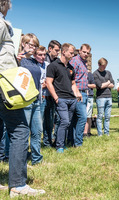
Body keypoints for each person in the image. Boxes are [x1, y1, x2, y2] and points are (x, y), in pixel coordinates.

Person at [0, 0, 45, 197]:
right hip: (3, 84)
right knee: (19, 130)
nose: (10, 7)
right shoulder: (1, 23)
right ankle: (18, 184)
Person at [46, 43, 81, 153]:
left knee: (67, 123)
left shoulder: (71, 68)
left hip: (72, 99)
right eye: (71, 53)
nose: (72, 55)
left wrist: (77, 94)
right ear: (64, 52)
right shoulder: (53, 66)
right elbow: (48, 83)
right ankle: (59, 146)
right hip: (61, 99)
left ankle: (62, 143)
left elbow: (73, 83)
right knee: (64, 122)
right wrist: (56, 98)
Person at [20, 34, 45, 166]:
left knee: (37, 131)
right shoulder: (19, 59)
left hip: (36, 99)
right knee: (23, 132)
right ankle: (21, 159)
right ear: (23, 44)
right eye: (30, 44)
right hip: (25, 100)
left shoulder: (35, 61)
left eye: (35, 45)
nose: (33, 47)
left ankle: (36, 159)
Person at [68, 44, 91, 147]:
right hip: (77, 93)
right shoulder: (74, 61)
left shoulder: (84, 63)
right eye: (84, 52)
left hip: (84, 92)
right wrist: (76, 92)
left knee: (76, 119)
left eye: (88, 53)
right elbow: (70, 78)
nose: (86, 54)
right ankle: (78, 143)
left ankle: (72, 141)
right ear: (80, 51)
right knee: (83, 117)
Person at [43, 40, 61, 147]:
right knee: (47, 121)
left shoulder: (57, 61)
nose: (57, 53)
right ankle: (47, 142)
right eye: (56, 50)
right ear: (50, 49)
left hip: (53, 95)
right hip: (44, 94)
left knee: (54, 120)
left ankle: (52, 140)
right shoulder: (43, 59)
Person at [93, 58, 114, 136]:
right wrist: (108, 82)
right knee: (100, 116)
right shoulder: (95, 73)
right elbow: (100, 85)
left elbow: (113, 84)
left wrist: (106, 84)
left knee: (107, 116)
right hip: (100, 97)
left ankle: (107, 133)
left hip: (109, 97)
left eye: (105, 66)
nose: (104, 68)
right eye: (103, 66)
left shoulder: (108, 72)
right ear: (99, 65)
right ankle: (100, 134)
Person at [83, 68, 96, 137]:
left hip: (89, 96)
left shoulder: (89, 74)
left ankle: (87, 132)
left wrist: (85, 85)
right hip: (81, 96)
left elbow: (94, 85)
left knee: (88, 115)